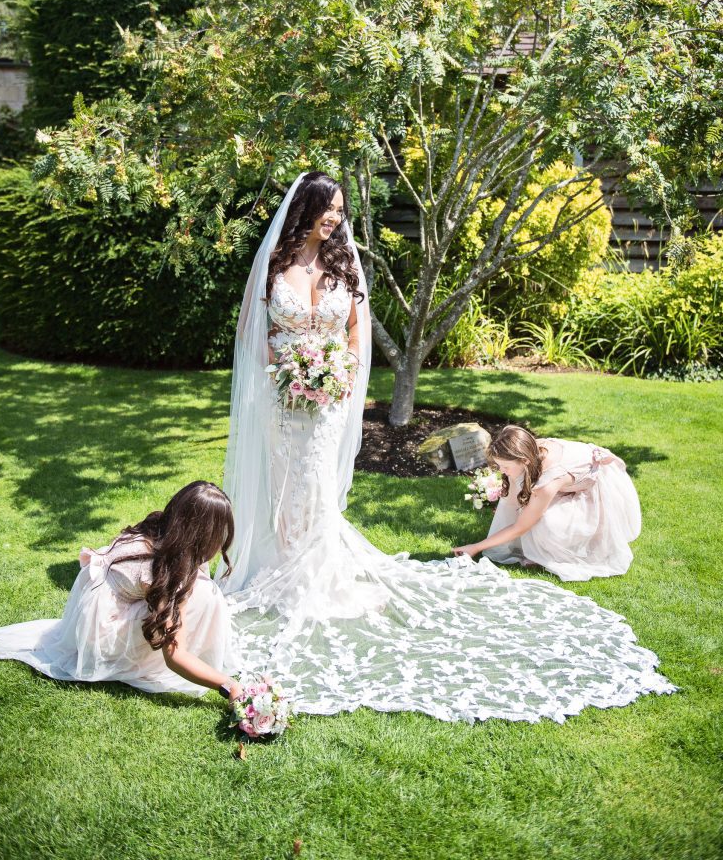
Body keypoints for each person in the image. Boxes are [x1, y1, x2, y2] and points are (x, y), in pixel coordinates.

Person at [219, 171, 675, 724]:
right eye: (330, 208)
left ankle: (314, 571)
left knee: (315, 482)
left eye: (341, 209)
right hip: (283, 399)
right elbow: (252, 332)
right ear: (307, 208)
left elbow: (356, 337)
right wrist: (290, 371)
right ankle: (281, 564)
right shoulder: (273, 266)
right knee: (282, 481)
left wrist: (335, 375)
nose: (336, 218)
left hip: (330, 400)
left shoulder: (344, 265)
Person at [0, 481, 241, 700]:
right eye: (219, 533)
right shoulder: (162, 570)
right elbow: (175, 656)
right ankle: (143, 659)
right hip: (100, 634)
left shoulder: (164, 532)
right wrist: (228, 686)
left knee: (200, 591)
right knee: (202, 596)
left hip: (95, 610)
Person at [453, 427, 642, 581]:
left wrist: (476, 547)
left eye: (505, 467)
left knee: (546, 524)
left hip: (596, 485)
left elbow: (521, 527)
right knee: (518, 495)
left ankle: (558, 550)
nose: (502, 471)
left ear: (524, 461)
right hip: (565, 478)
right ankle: (530, 546)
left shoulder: (548, 483)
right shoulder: (527, 448)